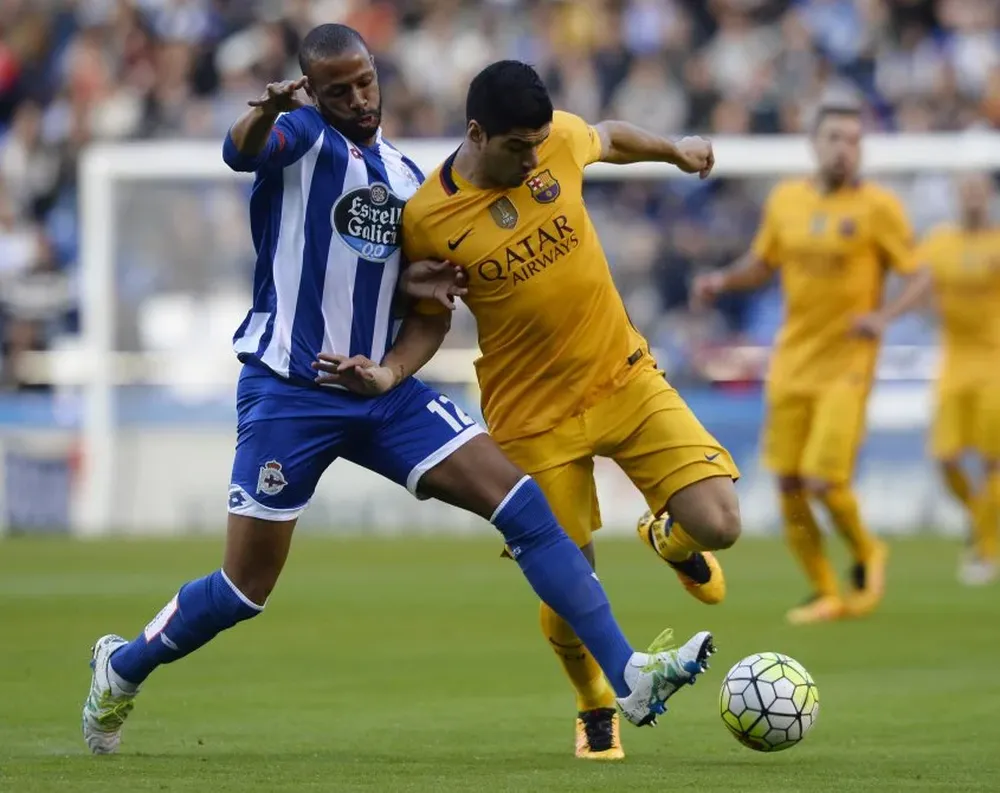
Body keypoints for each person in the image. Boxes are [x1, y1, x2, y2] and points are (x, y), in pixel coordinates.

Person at [80, 24, 714, 756]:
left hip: (380, 390)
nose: (357, 98)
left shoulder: (411, 183)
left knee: (524, 506)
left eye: (365, 81)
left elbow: (415, 304)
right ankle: (122, 666)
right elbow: (239, 152)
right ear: (312, 93)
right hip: (290, 391)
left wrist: (402, 330)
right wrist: (263, 112)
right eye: (338, 89)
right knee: (246, 587)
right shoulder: (300, 138)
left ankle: (628, 673)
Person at [327, 60, 740, 762]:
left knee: (720, 524)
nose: (532, 156)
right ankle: (593, 703)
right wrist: (391, 370)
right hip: (532, 416)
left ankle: (668, 535)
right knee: (570, 582)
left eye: (538, 143)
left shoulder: (556, 142)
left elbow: (606, 134)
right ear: (477, 133)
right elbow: (428, 318)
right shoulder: (428, 217)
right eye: (517, 147)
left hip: (624, 374)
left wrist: (674, 149)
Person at [692, 95, 916, 625]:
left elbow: (919, 271)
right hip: (793, 361)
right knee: (789, 483)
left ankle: (868, 551)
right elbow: (762, 262)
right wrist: (722, 279)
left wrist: (884, 318)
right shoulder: (786, 200)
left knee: (823, 479)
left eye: (855, 140)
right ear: (815, 144)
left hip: (848, 362)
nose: (845, 150)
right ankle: (825, 590)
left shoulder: (878, 208)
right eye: (835, 138)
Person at [854, 173, 1000, 586]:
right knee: (945, 457)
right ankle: (980, 516)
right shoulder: (940, 242)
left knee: (993, 461)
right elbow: (918, 286)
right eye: (966, 192)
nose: (972, 199)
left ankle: (985, 550)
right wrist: (886, 317)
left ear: (988, 198)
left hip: (994, 363)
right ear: (957, 197)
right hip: (954, 361)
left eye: (978, 192)